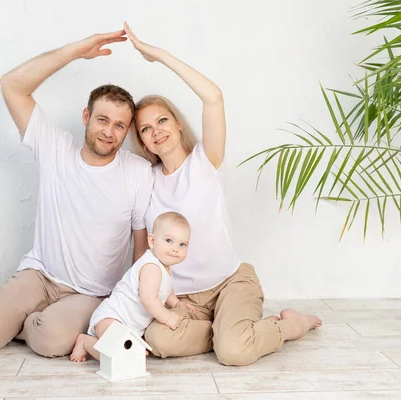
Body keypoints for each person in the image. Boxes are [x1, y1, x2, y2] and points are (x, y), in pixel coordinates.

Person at [124, 22, 323, 366]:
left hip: (230, 282)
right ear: (141, 141)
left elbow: (213, 96)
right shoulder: (146, 181)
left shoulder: (205, 160)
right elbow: (144, 260)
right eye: (145, 128)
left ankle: (292, 326)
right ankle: (231, 330)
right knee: (157, 339)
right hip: (185, 300)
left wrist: (158, 56)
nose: (156, 132)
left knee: (232, 352)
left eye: (162, 121)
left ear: (178, 124)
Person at [0, 29, 155, 358]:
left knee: (49, 341)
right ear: (86, 117)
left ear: (128, 130)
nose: (109, 131)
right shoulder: (54, 148)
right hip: (40, 276)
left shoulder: (137, 172)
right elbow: (11, 85)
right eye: (102, 119)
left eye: (120, 125)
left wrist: (126, 305)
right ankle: (20, 320)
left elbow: (139, 244)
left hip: (93, 293)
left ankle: (29, 323)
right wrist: (75, 51)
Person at [70, 211, 194, 362]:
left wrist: (175, 303)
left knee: (127, 357)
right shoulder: (151, 267)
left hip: (126, 326)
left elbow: (166, 291)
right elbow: (148, 299)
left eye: (182, 244)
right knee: (117, 357)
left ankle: (123, 346)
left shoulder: (164, 266)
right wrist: (167, 317)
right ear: (152, 241)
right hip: (112, 318)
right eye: (169, 240)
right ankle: (86, 342)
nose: (175, 248)